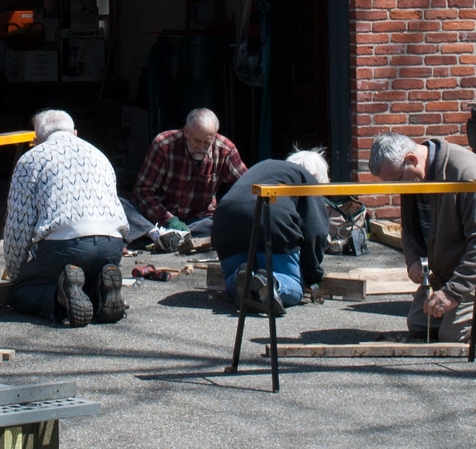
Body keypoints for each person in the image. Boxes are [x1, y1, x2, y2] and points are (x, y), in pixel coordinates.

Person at [367, 132, 476, 344]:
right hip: (453, 266)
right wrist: (413, 259)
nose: (397, 189)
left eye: (397, 180)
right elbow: (409, 229)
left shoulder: (466, 173)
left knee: (455, 334)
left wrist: (453, 293)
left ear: (412, 159)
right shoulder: (414, 177)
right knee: (420, 323)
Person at [0, 109, 129, 327]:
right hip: (111, 245)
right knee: (81, 281)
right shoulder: (99, 154)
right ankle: (101, 294)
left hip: (65, 246)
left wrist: (18, 275)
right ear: (75, 133)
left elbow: (17, 228)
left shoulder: (31, 159)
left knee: (21, 293)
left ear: (35, 140)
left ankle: (60, 294)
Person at [210, 149, 331, 313]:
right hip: (270, 218)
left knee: (236, 275)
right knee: (293, 284)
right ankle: (271, 282)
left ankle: (241, 280)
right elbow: (314, 231)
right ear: (317, 177)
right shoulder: (308, 179)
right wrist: (311, 276)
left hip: (225, 219)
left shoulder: (266, 166)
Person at [129, 108, 245, 237]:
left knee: (224, 223)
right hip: (159, 218)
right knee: (126, 209)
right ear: (186, 132)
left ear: (214, 136)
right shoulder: (163, 144)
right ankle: (161, 235)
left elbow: (246, 185)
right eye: (196, 141)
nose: (201, 148)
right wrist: (168, 219)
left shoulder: (225, 149)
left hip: (199, 221)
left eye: (207, 142)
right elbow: (142, 190)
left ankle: (173, 237)